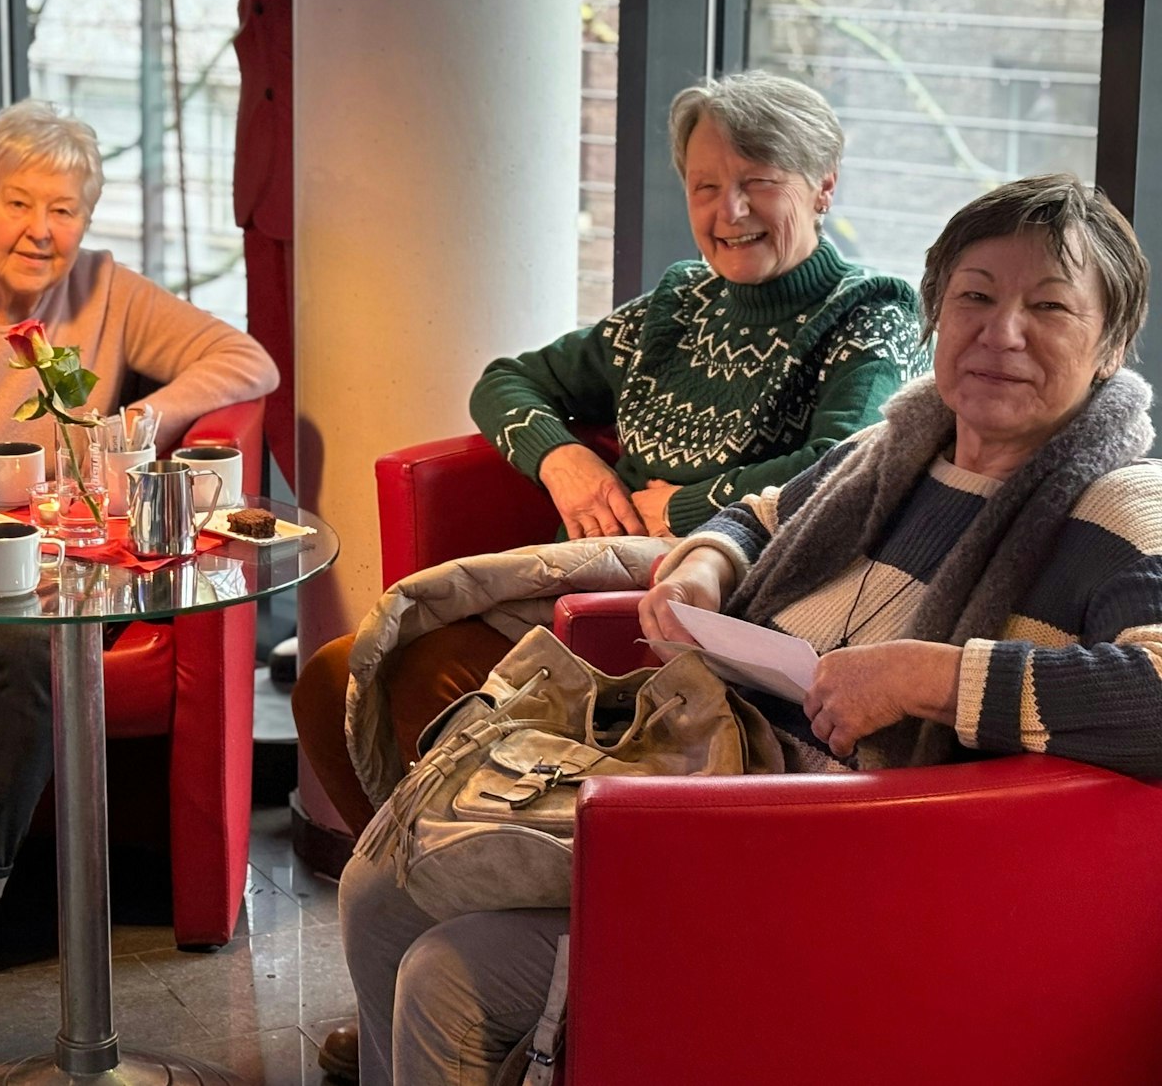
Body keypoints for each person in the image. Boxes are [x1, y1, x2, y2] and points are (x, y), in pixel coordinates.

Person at [341, 173, 1162, 1085]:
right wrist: (703, 562)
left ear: (1111, 344)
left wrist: (921, 676)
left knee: (450, 975)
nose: (1001, 332)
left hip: (842, 874)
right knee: (376, 887)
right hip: (707, 776)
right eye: (976, 295)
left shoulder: (1123, 502)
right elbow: (760, 513)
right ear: (938, 312)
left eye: (1049, 306)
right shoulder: (897, 447)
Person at [295, 70, 925, 1079]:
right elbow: (503, 380)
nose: (726, 212)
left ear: (822, 187)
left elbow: (843, 459)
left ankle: (487, 977)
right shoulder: (677, 302)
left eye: (756, 181)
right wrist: (564, 457)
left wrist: (680, 508)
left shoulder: (867, 311)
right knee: (333, 677)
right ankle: (414, 970)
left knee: (428, 687)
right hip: (585, 585)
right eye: (703, 184)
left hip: (693, 603)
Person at [0, 99, 276, 1020]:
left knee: (37, 648)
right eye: (19, 203)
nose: (41, 230)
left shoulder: (105, 290)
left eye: (64, 209)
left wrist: (140, 420)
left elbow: (247, 359)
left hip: (57, 565)